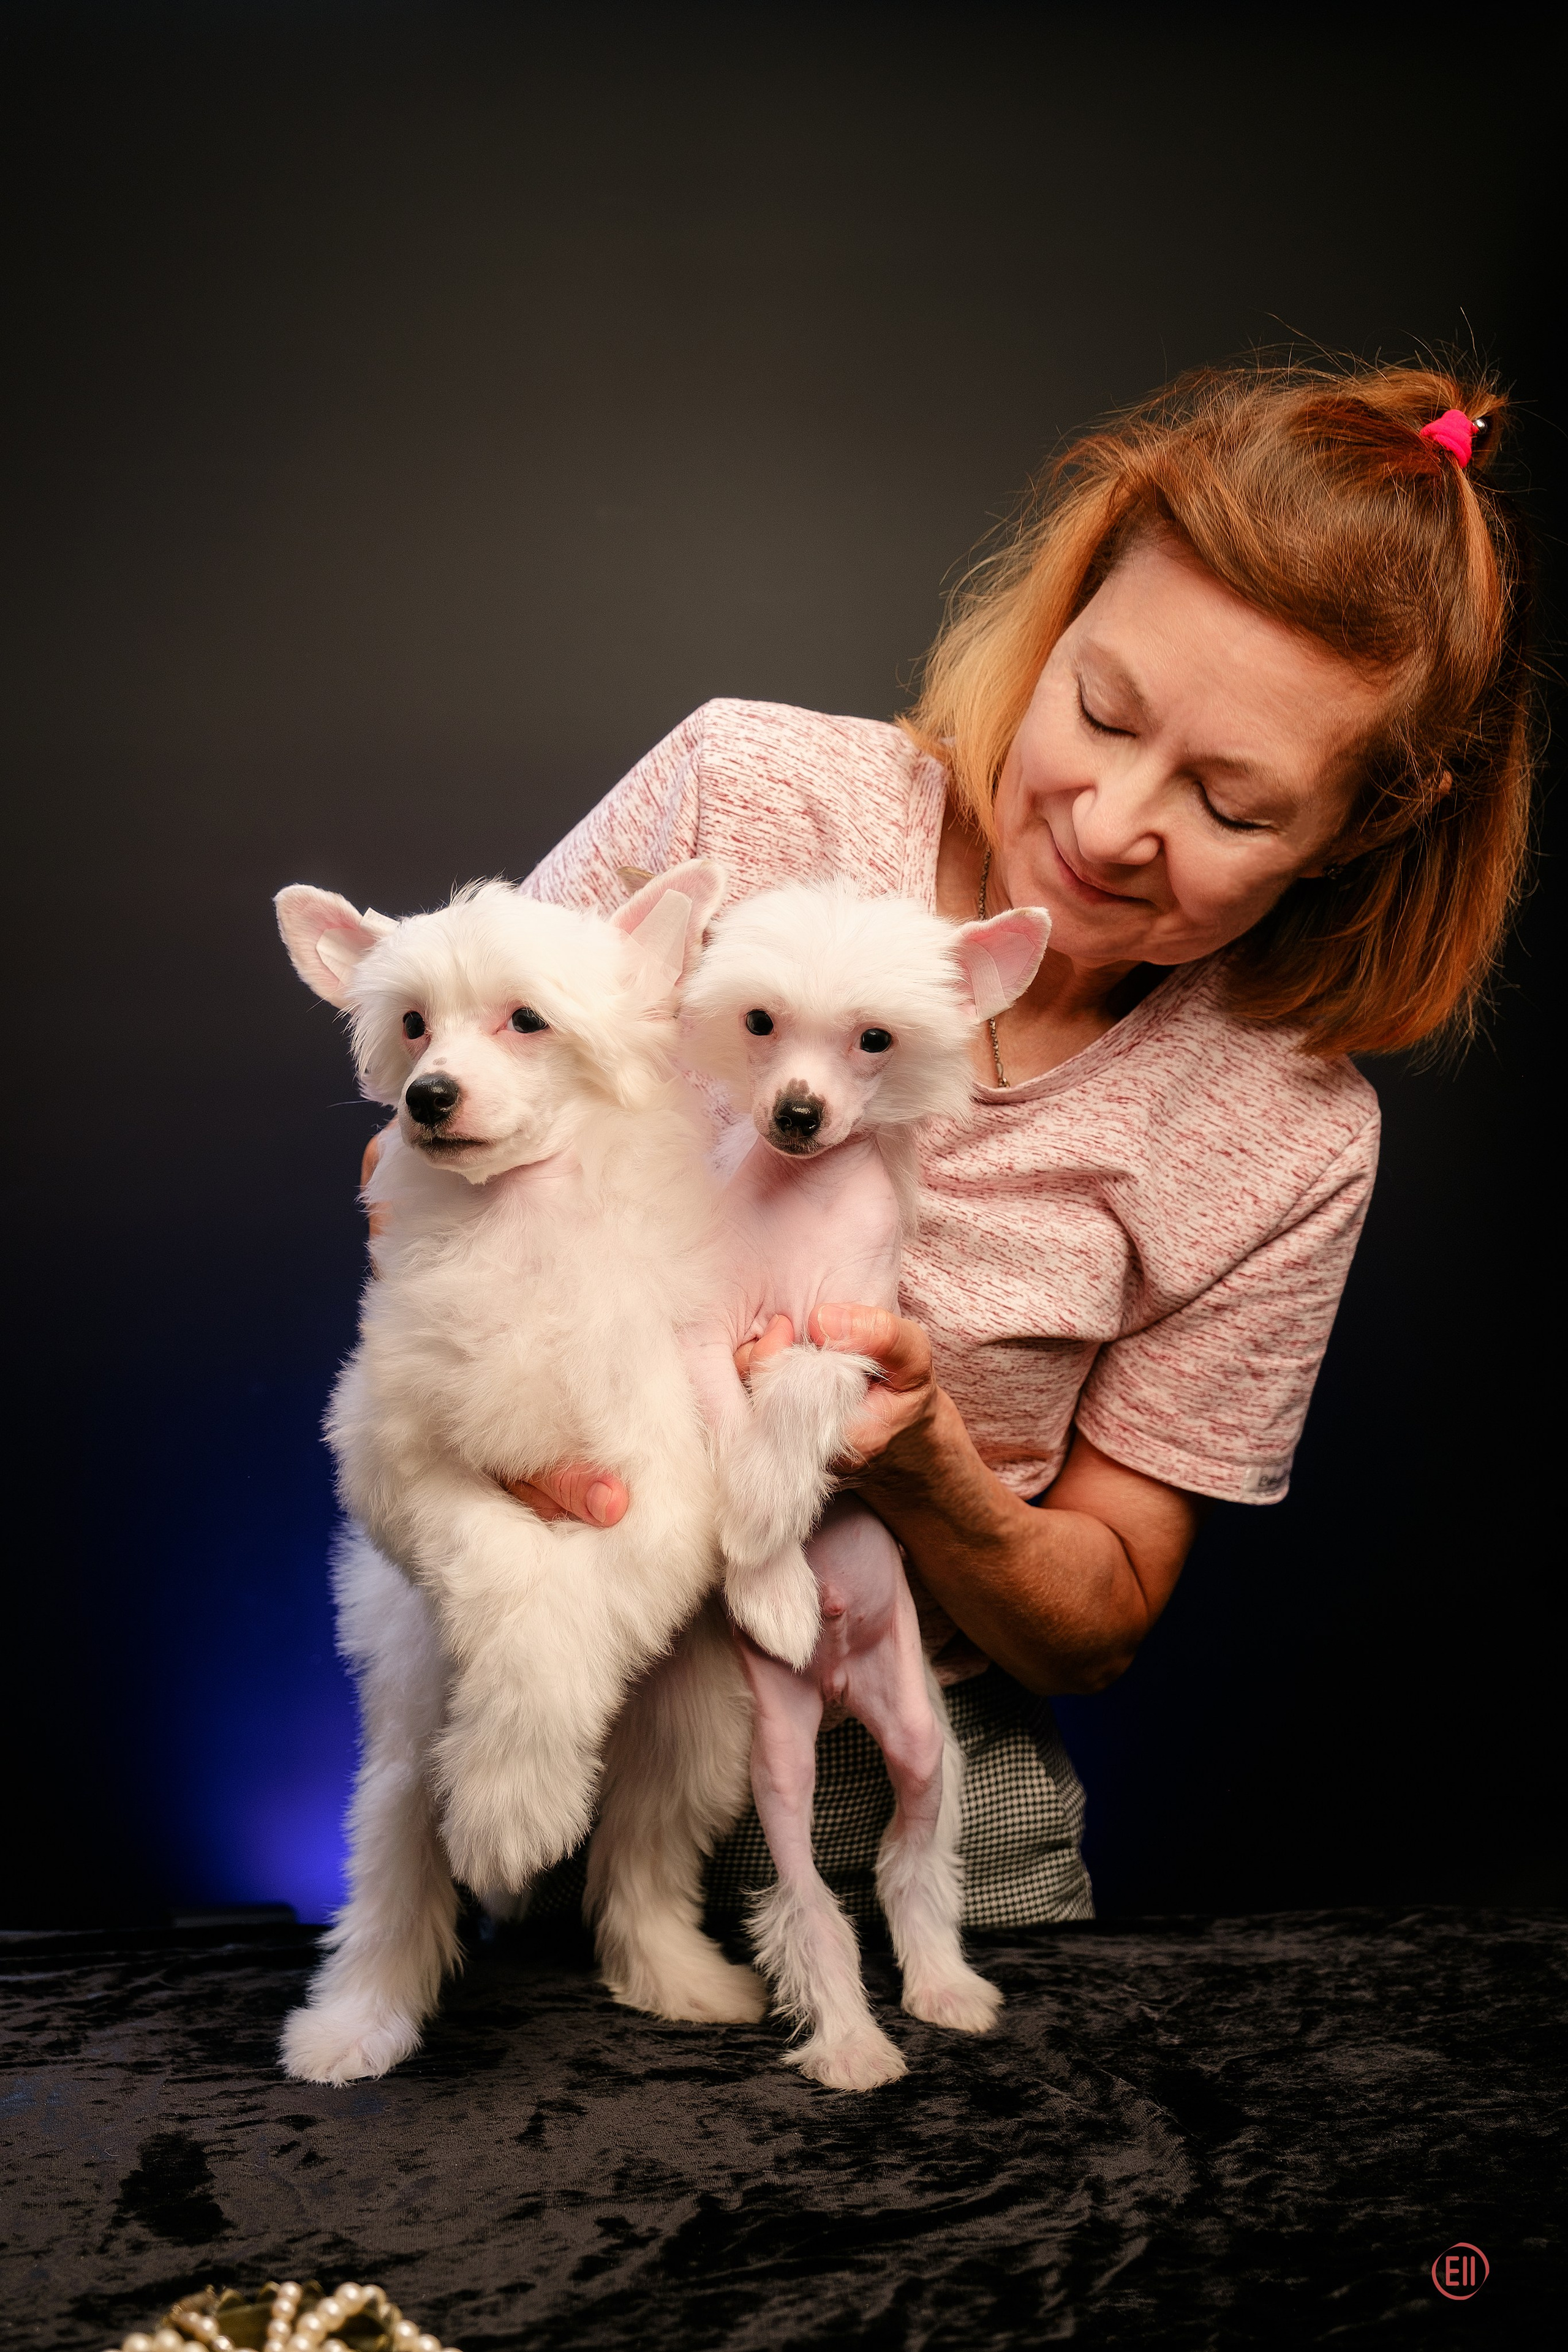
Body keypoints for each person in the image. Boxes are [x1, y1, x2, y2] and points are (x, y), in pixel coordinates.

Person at [380, 361, 1536, 1928]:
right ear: (1058, 617)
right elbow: (418, 1153)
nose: (1108, 818)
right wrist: (535, 1459)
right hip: (543, 1676)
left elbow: (1101, 1621)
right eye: (1100, 708)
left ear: (1363, 827)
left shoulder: (1287, 1139)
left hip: (903, 1798)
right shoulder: (749, 792)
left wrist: (924, 1467)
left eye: (1229, 805)